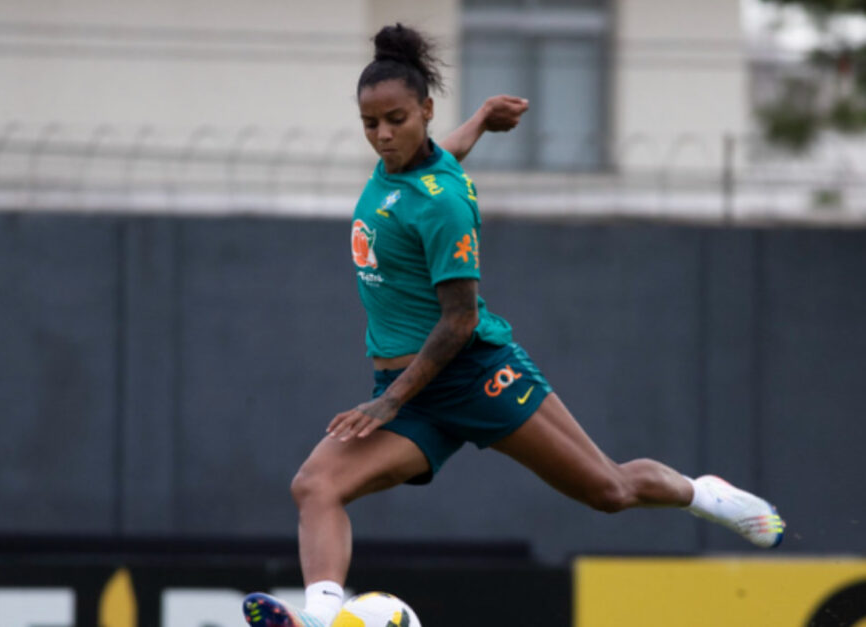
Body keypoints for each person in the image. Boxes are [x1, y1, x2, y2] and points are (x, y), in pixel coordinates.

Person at [242, 23, 785, 627]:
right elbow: (440, 156)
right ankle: (321, 617)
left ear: (423, 109)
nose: (383, 135)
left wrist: (389, 402)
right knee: (315, 485)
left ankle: (706, 495)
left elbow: (461, 318)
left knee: (608, 491)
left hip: (475, 377)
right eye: (371, 124)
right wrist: (479, 120)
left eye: (395, 119)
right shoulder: (401, 172)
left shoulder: (443, 202)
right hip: (415, 398)